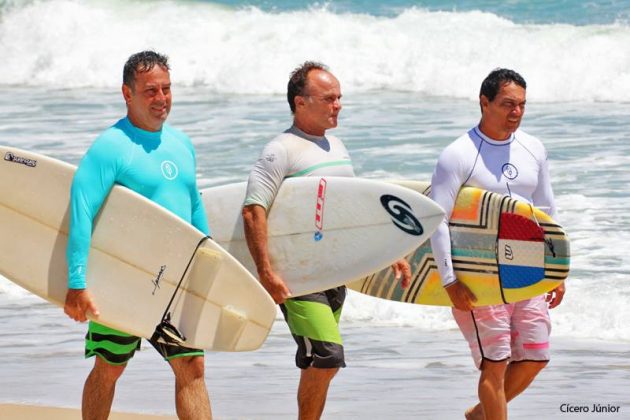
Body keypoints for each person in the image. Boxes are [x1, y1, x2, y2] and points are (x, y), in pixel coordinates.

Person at [241, 61, 411, 420]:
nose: (338, 105)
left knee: (317, 362)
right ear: (300, 103)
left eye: (340, 98)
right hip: (298, 277)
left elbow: (349, 209)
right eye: (329, 98)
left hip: (333, 272)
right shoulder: (280, 150)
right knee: (328, 354)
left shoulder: (337, 146)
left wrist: (387, 250)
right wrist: (266, 272)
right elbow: (253, 210)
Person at [63, 51, 212, 420]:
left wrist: (211, 265)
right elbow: (81, 212)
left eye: (166, 89)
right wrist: (77, 282)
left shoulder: (182, 144)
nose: (162, 98)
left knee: (191, 366)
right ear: (127, 94)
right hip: (124, 279)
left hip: (175, 281)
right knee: (109, 367)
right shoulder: (111, 146)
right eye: (150, 91)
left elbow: (194, 207)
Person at [429, 68, 566, 420]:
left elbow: (546, 211)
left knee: (535, 356)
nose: (516, 112)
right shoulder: (458, 154)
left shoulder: (533, 148)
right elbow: (437, 219)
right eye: (507, 104)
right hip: (478, 272)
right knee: (496, 361)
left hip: (526, 266)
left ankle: (479, 415)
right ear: (484, 102)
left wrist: (556, 271)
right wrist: (449, 280)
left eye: (521, 105)